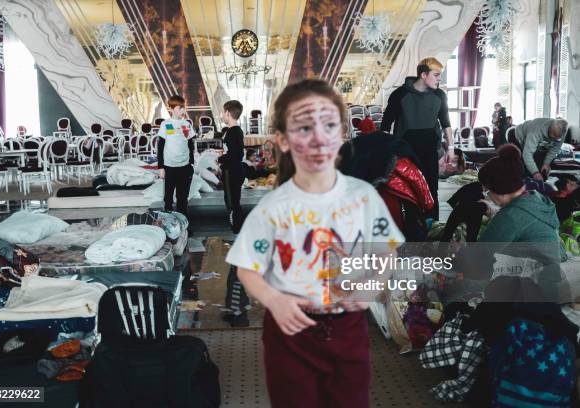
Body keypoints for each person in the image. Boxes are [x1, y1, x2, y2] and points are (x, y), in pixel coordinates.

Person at [226, 79, 404, 407]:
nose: (319, 138)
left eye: (329, 125)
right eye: (304, 127)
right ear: (282, 139)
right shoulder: (274, 207)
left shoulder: (363, 197)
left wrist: (370, 288)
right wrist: (273, 299)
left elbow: (385, 252)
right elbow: (246, 267)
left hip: (348, 329)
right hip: (290, 333)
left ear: (342, 135)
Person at [459, 144, 567, 302]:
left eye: (487, 191)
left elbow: (480, 256)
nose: (487, 195)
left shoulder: (509, 218)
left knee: (454, 286)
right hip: (552, 280)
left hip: (533, 291)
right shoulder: (536, 198)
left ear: (498, 191)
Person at [381, 57, 454, 221]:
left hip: (430, 151)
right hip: (405, 153)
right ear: (423, 75)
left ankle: (432, 226)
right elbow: (386, 125)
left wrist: (451, 149)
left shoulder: (440, 95)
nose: (439, 79)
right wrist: (386, 153)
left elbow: (446, 123)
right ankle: (411, 228)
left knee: (431, 188)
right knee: (408, 190)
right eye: (436, 75)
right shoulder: (399, 94)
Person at [157, 95, 196, 216]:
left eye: (184, 108)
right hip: (169, 167)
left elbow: (190, 144)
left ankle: (183, 227)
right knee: (168, 199)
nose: (183, 111)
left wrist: (191, 163)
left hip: (185, 167)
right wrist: (161, 167)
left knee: (182, 199)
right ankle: (169, 227)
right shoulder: (166, 124)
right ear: (172, 109)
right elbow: (160, 146)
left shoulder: (186, 124)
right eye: (180, 108)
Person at [218, 100, 245, 234]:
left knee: (232, 203)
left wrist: (219, 158)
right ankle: (238, 230)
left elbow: (236, 154)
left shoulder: (233, 132)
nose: (222, 115)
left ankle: (237, 230)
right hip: (235, 170)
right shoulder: (235, 131)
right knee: (234, 201)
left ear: (228, 113)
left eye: (223, 112)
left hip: (231, 172)